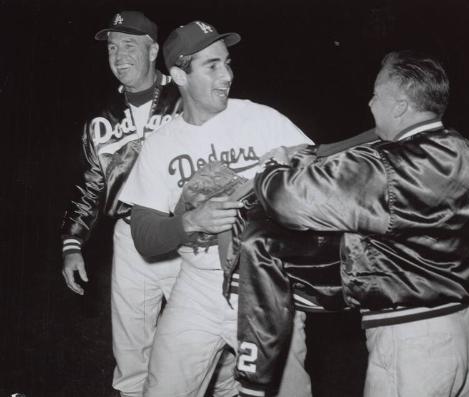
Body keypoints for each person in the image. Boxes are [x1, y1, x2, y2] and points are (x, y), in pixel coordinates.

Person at [250, 50, 469, 397]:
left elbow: (286, 200)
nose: (369, 103)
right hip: (464, 330)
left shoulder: (388, 165)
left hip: (410, 340)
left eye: (377, 94)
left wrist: (273, 168)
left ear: (400, 106)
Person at [120, 20, 314, 397]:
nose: (227, 74)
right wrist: (191, 221)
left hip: (267, 285)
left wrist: (296, 159)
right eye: (212, 66)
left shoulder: (261, 118)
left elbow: (322, 171)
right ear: (179, 74)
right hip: (198, 288)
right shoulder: (162, 144)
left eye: (227, 63)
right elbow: (143, 235)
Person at [60, 11, 182, 397]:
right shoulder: (102, 119)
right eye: (112, 47)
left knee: (206, 344)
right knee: (131, 352)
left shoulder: (186, 98)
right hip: (130, 237)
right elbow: (90, 186)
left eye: (129, 45)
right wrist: (72, 243)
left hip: (186, 235)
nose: (118, 55)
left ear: (153, 49)